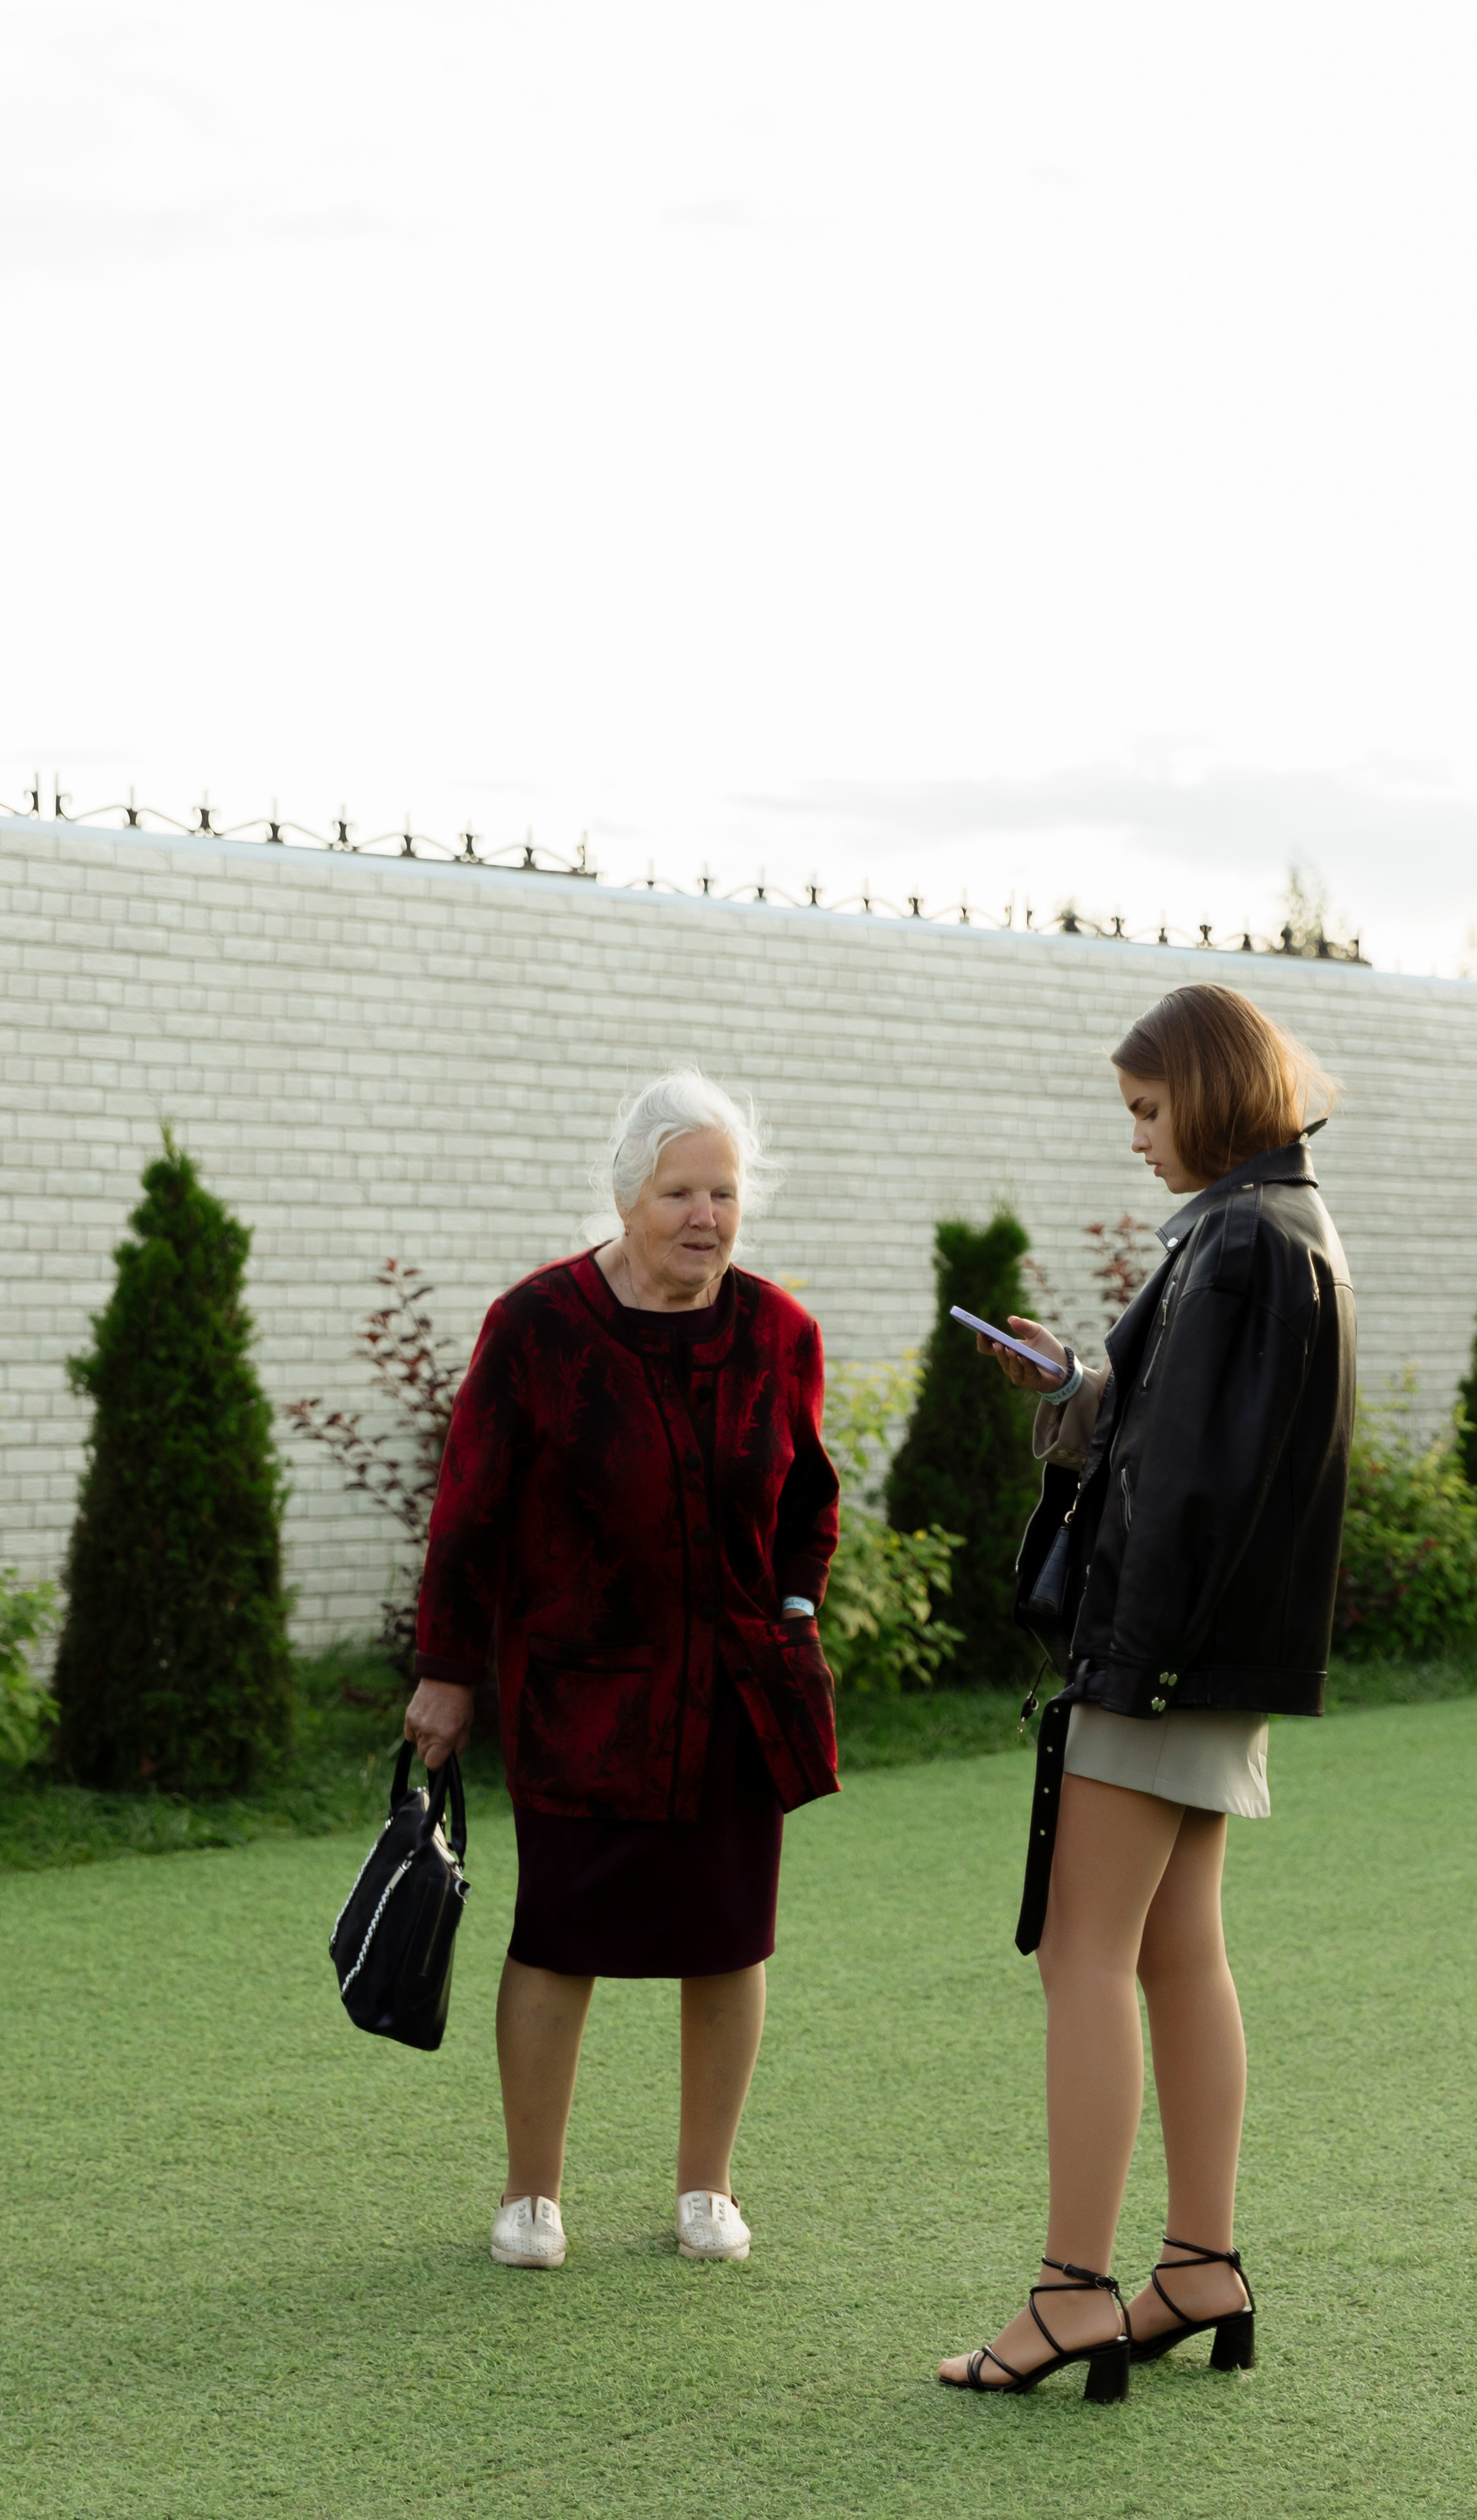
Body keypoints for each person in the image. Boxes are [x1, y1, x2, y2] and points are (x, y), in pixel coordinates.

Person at [938, 982, 1354, 2403]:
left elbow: (1187, 1485)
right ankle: (1196, 2265)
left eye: (1144, 1108)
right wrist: (1084, 1385)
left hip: (1163, 1650)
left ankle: (1068, 2294)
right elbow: (1197, 1442)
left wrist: (1126, 1660)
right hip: (1210, 1653)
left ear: (1208, 1092)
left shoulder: (1237, 1241)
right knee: (1176, 1950)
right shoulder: (1280, 1229)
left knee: (1083, 1956)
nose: (1134, 1137)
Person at [402, 1070, 839, 2271]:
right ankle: (531, 2196)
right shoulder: (536, 1326)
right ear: (628, 1194)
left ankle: (707, 2190)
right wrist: (446, 1668)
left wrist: (796, 1611)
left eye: (725, 1192)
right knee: (559, 1935)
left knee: (727, 1938)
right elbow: (468, 1513)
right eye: (680, 1190)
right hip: (579, 1697)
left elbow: (810, 1498)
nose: (705, 1215)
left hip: (737, 1695)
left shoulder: (780, 1332)